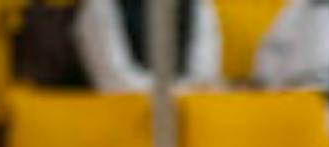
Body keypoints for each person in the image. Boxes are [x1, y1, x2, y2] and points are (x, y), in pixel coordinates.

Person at [72, 0, 223, 92]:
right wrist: (179, 92)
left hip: (187, 119)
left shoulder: (197, 4)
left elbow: (204, 76)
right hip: (116, 122)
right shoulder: (101, 4)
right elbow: (114, 83)